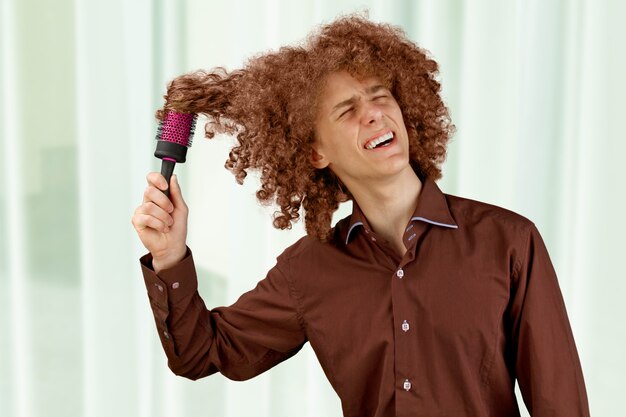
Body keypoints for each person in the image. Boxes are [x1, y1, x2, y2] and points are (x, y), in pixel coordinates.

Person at [131, 15, 590, 417]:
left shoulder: (508, 242)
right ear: (315, 152)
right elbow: (203, 354)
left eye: (380, 96)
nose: (373, 114)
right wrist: (169, 258)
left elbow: (560, 404)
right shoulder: (308, 270)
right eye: (347, 110)